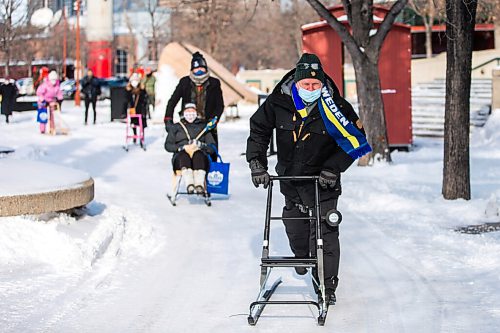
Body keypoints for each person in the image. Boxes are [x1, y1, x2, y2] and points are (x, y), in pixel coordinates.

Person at [246, 53, 371, 304]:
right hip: (290, 180)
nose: (311, 89)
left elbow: (354, 139)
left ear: (323, 83)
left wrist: (333, 168)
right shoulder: (278, 101)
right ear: (297, 82)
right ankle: (303, 257)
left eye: (316, 85)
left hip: (323, 181)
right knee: (295, 227)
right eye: (306, 85)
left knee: (326, 231)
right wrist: (257, 162)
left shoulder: (336, 105)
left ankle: (327, 286)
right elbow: (259, 129)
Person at [164, 51, 224, 146]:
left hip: (207, 126)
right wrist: (168, 119)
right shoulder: (185, 82)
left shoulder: (214, 83)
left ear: (206, 69)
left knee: (210, 153)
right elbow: (172, 101)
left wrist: (214, 120)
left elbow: (219, 105)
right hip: (188, 125)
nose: (199, 71)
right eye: (196, 69)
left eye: (202, 68)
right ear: (192, 70)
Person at [165, 103, 216, 194]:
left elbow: (212, 147)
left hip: (200, 158)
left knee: (198, 155)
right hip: (180, 158)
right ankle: (190, 184)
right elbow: (168, 145)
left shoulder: (203, 126)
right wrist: (181, 147)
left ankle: (199, 184)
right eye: (187, 111)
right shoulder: (176, 127)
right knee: (184, 156)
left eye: (192, 111)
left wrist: (201, 145)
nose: (190, 114)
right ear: (183, 113)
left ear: (196, 113)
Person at [126, 73, 148, 147]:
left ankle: (142, 139)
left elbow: (145, 99)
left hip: (141, 110)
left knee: (142, 125)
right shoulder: (129, 90)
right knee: (133, 124)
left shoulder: (141, 89)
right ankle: (135, 136)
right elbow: (127, 100)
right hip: (133, 110)